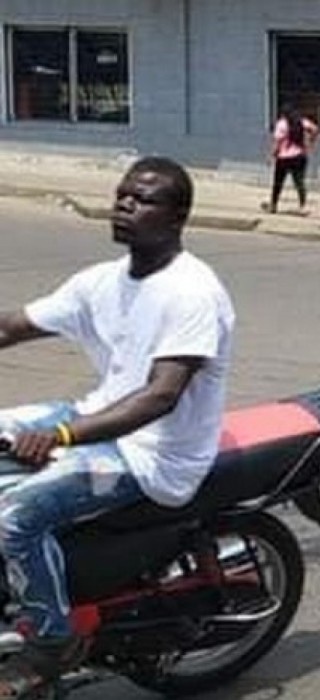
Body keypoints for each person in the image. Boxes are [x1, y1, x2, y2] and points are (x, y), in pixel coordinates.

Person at [0, 158, 235, 695]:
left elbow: (160, 396)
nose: (125, 204)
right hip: (99, 414)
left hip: (155, 454)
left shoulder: (193, 291)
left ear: (178, 216)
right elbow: (11, 325)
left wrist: (62, 436)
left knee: (15, 515)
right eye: (122, 194)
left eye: (144, 199)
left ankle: (51, 643)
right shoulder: (100, 282)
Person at [264, 110, 317, 215]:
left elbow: (277, 142)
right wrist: (311, 142)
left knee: (278, 183)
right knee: (299, 182)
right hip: (299, 156)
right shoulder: (302, 121)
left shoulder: (281, 124)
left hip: (284, 158)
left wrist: (271, 155)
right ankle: (303, 206)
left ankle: (273, 205)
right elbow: (315, 129)